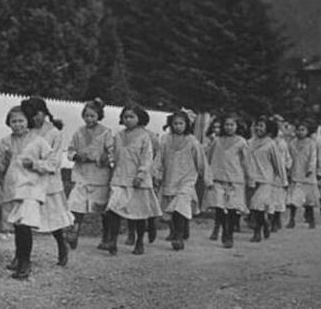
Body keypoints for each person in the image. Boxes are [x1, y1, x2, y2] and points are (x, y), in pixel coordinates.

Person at [0, 106, 56, 279]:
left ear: (28, 121)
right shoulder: (5, 141)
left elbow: (52, 163)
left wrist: (36, 165)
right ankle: (18, 256)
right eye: (13, 121)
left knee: (24, 225)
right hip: (13, 188)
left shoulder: (38, 141)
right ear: (9, 123)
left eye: (21, 121)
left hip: (32, 187)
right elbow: (1, 166)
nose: (17, 125)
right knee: (17, 224)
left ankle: (25, 263)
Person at [21, 97, 75, 266]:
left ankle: (62, 246)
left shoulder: (54, 134)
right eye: (30, 115)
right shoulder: (26, 132)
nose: (34, 118)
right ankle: (21, 258)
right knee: (23, 221)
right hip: (28, 183)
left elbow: (54, 162)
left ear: (44, 112)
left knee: (52, 220)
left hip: (48, 184)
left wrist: (35, 164)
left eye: (37, 114)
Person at [103, 103, 162, 255]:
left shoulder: (144, 137)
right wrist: (107, 160)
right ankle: (113, 241)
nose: (128, 120)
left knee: (138, 214)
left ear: (139, 118)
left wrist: (141, 174)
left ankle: (139, 241)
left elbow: (147, 157)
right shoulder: (119, 135)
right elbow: (113, 154)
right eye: (125, 117)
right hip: (120, 179)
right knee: (113, 209)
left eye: (131, 117)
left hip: (137, 181)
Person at [154, 110, 213, 250]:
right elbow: (158, 159)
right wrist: (156, 174)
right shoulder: (165, 139)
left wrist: (207, 179)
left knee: (180, 206)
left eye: (181, 123)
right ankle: (177, 229)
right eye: (175, 123)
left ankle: (179, 237)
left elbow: (201, 161)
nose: (178, 126)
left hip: (187, 180)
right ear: (171, 124)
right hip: (170, 179)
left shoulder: (192, 141)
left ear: (187, 125)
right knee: (170, 208)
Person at [66, 98, 114, 251]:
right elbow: (70, 150)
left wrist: (101, 158)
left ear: (99, 116)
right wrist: (76, 156)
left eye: (93, 116)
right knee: (76, 204)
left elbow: (112, 153)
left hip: (99, 176)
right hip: (81, 175)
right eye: (87, 115)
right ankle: (74, 232)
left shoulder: (106, 133)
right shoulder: (79, 132)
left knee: (102, 208)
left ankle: (107, 237)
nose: (89, 119)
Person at [204, 113, 249, 248]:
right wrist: (207, 176)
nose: (229, 127)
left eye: (232, 125)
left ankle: (229, 233)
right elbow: (208, 158)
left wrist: (249, 178)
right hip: (218, 179)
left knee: (232, 209)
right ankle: (223, 230)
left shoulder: (241, 142)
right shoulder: (217, 141)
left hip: (235, 180)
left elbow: (246, 161)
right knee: (219, 207)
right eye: (227, 125)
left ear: (237, 126)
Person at [245, 116, 283, 242]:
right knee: (254, 207)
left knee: (257, 204)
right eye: (257, 125)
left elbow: (278, 163)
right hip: (251, 178)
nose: (258, 128)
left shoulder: (271, 144)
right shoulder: (249, 142)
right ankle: (265, 224)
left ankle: (257, 232)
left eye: (261, 126)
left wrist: (283, 180)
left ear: (267, 128)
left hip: (266, 179)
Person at [285, 119, 320, 229]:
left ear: (307, 131)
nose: (300, 132)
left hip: (307, 175)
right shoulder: (292, 143)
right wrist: (288, 169)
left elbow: (313, 157)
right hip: (296, 173)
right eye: (298, 130)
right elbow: (288, 157)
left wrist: (311, 169)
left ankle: (311, 220)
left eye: (303, 130)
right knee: (293, 200)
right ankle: (292, 220)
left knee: (309, 200)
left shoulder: (311, 143)